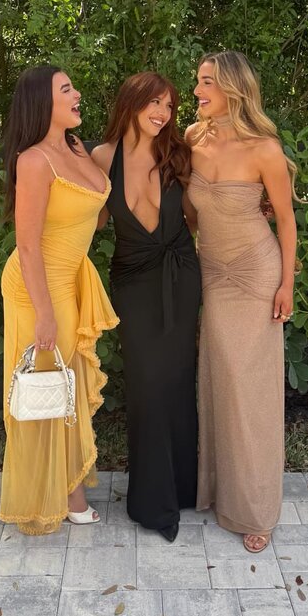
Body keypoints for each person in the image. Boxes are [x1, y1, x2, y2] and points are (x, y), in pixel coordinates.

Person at [0, 65, 118, 535]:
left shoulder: (74, 149)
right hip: (36, 287)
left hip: (70, 278)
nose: (77, 94)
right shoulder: (34, 161)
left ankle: (65, 486)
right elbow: (27, 245)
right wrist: (44, 314)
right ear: (42, 103)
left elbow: (97, 216)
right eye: (66, 89)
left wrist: (92, 162)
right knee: (48, 385)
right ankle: (61, 496)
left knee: (65, 382)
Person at [186, 50, 297, 554]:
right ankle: (219, 490)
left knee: (250, 389)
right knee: (218, 379)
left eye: (206, 81)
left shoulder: (264, 149)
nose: (197, 90)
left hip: (256, 274)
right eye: (198, 81)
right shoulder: (192, 138)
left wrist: (286, 284)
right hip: (212, 273)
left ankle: (255, 509)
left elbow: (286, 221)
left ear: (233, 87)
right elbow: (188, 210)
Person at [91, 73, 201, 542]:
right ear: (131, 102)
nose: (162, 112)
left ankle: (182, 488)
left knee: (176, 379)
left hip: (181, 274)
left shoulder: (178, 153)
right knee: (146, 383)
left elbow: (197, 215)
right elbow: (92, 219)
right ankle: (152, 502)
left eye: (170, 105)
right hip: (132, 282)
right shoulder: (102, 157)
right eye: (155, 102)